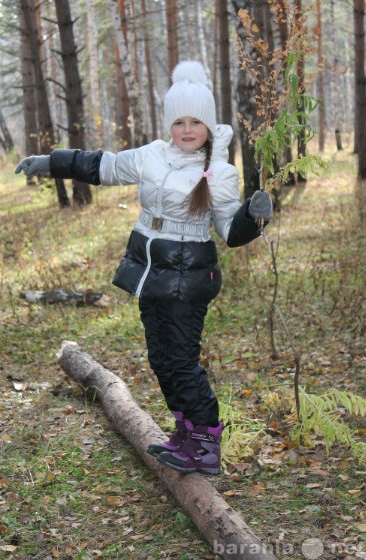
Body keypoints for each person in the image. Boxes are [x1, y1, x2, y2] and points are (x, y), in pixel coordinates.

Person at [15, 60, 273, 475]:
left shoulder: (219, 172)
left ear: (208, 125)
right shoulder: (151, 155)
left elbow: (230, 230)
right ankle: (185, 432)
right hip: (151, 276)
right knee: (160, 358)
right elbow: (104, 166)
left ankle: (206, 445)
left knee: (182, 361)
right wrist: (52, 162)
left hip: (188, 280)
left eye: (195, 122)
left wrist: (255, 217)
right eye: (178, 122)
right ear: (169, 124)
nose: (187, 130)